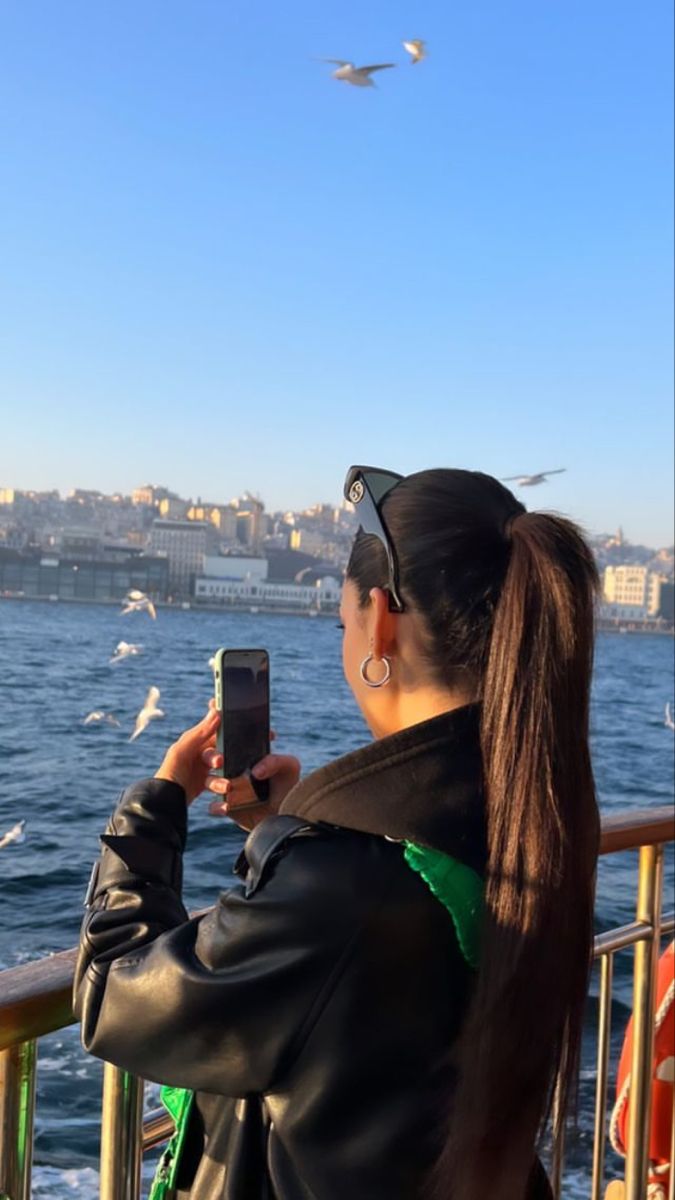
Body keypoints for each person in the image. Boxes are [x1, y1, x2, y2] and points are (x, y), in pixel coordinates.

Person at [74, 465, 600, 1200]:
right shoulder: (526, 814)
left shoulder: (348, 885)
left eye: (342, 619)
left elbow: (113, 997)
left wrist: (156, 804)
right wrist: (286, 833)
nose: (345, 636)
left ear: (380, 619)